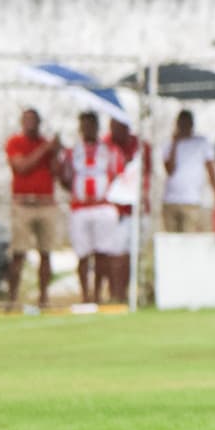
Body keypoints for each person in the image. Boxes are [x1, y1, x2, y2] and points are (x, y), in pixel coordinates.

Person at [61, 111, 126, 304]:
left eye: (91, 124)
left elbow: (119, 177)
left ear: (97, 127)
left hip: (103, 206)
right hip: (80, 207)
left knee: (102, 253)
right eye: (85, 125)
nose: (88, 128)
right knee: (82, 253)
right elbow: (65, 178)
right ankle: (85, 294)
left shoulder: (110, 151)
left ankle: (98, 293)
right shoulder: (72, 152)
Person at [4, 108, 66, 309]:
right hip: (23, 204)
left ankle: (44, 298)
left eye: (33, 120)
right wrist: (45, 150)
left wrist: (55, 153)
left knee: (46, 252)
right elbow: (21, 167)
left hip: (46, 204)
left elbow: (57, 173)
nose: (30, 123)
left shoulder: (46, 145)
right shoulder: (15, 142)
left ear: (39, 122)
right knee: (18, 252)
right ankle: (12, 298)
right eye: (27, 119)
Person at [160, 110, 215, 233]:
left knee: (188, 239)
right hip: (170, 200)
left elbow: (211, 169)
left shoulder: (202, 142)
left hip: (192, 201)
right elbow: (169, 170)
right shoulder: (169, 144)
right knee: (170, 241)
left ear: (192, 124)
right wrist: (175, 143)